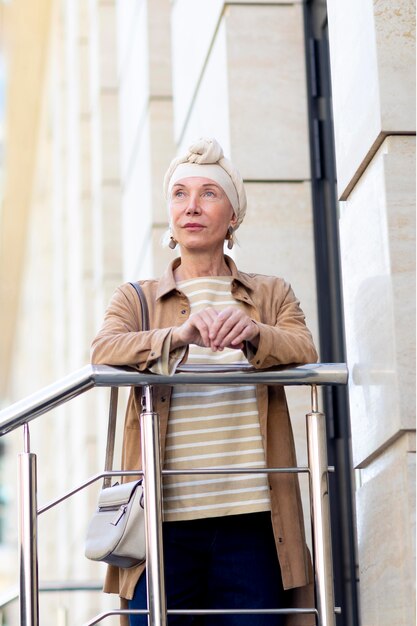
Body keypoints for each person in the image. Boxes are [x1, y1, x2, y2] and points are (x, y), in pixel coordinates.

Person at [91, 137, 318, 626]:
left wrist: (255, 333)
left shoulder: (270, 293)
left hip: (255, 522)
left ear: (233, 215)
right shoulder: (137, 299)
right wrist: (177, 336)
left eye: (209, 193)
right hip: (160, 523)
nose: (191, 206)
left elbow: (304, 346)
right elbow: (103, 351)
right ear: (169, 214)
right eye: (179, 194)